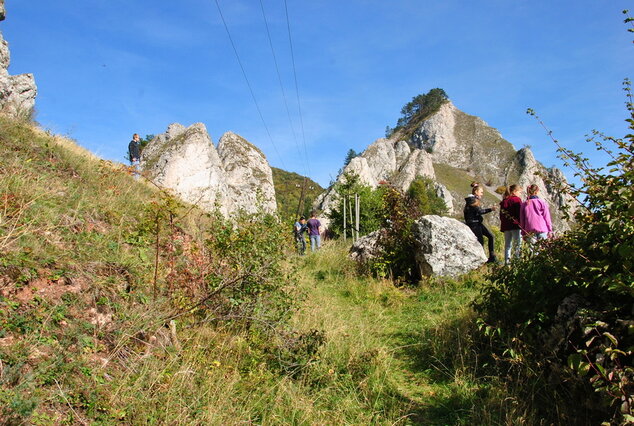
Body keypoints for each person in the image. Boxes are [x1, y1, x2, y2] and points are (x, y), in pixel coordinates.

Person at [464, 182, 498, 263]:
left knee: (490, 236)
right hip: (474, 224)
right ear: (476, 192)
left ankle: (491, 257)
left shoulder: (473, 200)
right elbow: (479, 211)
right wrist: (491, 209)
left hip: (477, 223)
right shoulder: (472, 201)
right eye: (481, 192)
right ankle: (481, 260)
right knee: (481, 242)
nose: (482, 194)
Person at [499, 184, 522, 264]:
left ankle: (507, 263)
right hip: (515, 225)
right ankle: (517, 262)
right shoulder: (516, 200)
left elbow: (501, 215)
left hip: (506, 226)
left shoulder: (504, 201)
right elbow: (519, 213)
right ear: (514, 191)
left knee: (507, 245)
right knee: (517, 245)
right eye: (519, 192)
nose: (520, 194)